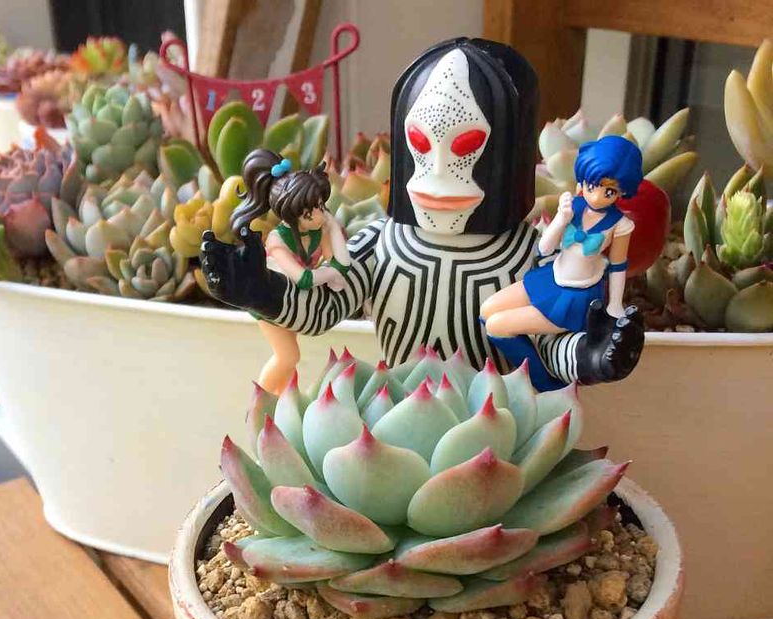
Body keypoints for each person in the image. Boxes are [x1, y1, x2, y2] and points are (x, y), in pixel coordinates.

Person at [199, 37, 644, 390]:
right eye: (421, 143)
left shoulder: (529, 253)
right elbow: (324, 309)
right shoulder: (381, 243)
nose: (439, 171)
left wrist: (586, 357)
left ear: (506, 154)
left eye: (467, 145)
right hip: (396, 419)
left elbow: (545, 343)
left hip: (502, 429)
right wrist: (262, 291)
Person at [481, 135, 642, 355]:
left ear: (622, 192)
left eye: (609, 192)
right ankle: (524, 362)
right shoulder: (572, 206)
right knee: (487, 310)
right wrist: (561, 219)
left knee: (496, 326)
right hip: (551, 278)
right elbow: (544, 249)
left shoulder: (620, 224)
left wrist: (615, 304)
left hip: (577, 297)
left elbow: (617, 267)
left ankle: (538, 374)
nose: (596, 197)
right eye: (592, 186)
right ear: (582, 182)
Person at [232, 150, 351, 393]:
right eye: (310, 212)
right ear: (291, 215)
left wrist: (333, 227)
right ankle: (260, 400)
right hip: (269, 301)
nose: (319, 214)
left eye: (320, 206)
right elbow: (305, 279)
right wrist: (330, 274)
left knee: (290, 359)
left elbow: (340, 264)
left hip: (292, 301)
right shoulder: (278, 241)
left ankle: (280, 397)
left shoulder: (318, 230)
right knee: (288, 356)